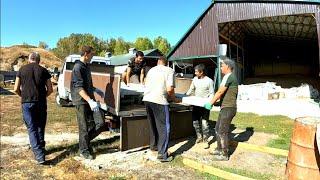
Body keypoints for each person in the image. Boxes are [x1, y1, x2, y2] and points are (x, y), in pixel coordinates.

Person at [14, 52, 53, 164]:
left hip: (27, 103)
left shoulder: (22, 69)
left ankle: (39, 155)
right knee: (40, 125)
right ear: (38, 60)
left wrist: (23, 96)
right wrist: (42, 96)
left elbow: (16, 88)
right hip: (40, 102)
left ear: (29, 59)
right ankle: (41, 148)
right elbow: (50, 89)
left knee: (31, 128)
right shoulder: (44, 71)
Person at [70, 46, 104, 160]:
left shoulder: (86, 66)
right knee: (83, 127)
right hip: (81, 102)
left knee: (100, 123)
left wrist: (95, 90)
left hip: (90, 99)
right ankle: (84, 150)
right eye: (92, 54)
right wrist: (90, 101)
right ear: (86, 53)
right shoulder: (77, 67)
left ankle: (84, 142)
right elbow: (79, 88)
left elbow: (86, 84)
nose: (92, 56)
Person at [143, 56, 178, 162]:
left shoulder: (151, 70)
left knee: (153, 124)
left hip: (147, 99)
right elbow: (170, 89)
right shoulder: (169, 70)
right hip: (160, 100)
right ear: (166, 63)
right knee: (164, 127)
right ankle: (162, 155)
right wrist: (174, 99)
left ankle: (154, 147)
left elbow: (146, 83)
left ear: (158, 62)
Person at [204, 58, 238, 161]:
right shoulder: (228, 77)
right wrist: (218, 103)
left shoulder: (229, 76)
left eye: (222, 66)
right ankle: (219, 149)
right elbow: (227, 95)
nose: (221, 68)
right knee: (218, 129)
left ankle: (224, 154)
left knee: (222, 131)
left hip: (228, 108)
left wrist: (210, 103)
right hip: (225, 108)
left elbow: (220, 92)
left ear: (227, 66)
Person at [185, 64, 214, 143]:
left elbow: (212, 93)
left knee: (205, 123)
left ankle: (205, 140)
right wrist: (184, 96)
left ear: (201, 72)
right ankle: (199, 137)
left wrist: (210, 103)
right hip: (196, 104)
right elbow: (191, 89)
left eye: (196, 72)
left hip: (205, 105)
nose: (195, 73)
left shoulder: (209, 81)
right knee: (195, 122)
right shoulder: (195, 79)